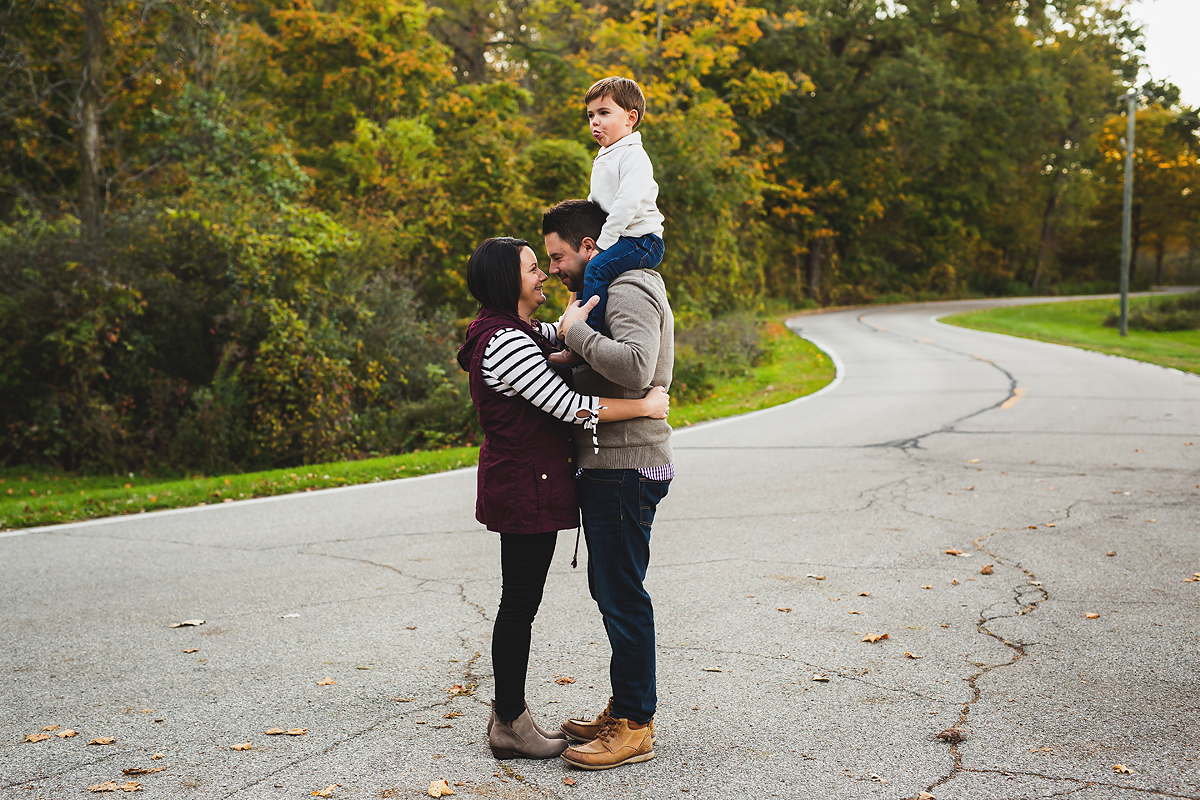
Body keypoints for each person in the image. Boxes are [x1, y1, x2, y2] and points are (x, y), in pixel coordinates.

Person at [455, 236, 670, 761]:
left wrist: (586, 319)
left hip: (529, 481)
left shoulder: (518, 330)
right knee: (519, 604)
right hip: (523, 484)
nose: (543, 275)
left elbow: (570, 334)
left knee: (529, 601)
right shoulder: (506, 341)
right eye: (533, 268)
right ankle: (509, 719)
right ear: (510, 281)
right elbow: (569, 406)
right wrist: (646, 406)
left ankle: (605, 711)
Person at [542, 201, 675, 770]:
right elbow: (605, 366)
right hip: (608, 464)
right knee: (611, 589)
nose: (553, 270)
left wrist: (576, 333)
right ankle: (624, 707)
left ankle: (635, 725)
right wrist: (567, 356)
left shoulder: (630, 286)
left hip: (627, 464)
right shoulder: (610, 290)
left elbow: (639, 368)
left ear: (591, 246)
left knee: (622, 593)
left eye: (558, 256)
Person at [557, 76, 665, 350]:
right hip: (620, 238)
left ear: (630, 117)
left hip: (642, 240)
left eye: (604, 113)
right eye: (591, 115)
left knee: (596, 267)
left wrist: (602, 245)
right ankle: (569, 322)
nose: (595, 121)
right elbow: (596, 204)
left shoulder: (633, 156)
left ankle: (585, 341)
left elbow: (625, 206)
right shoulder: (606, 155)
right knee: (584, 265)